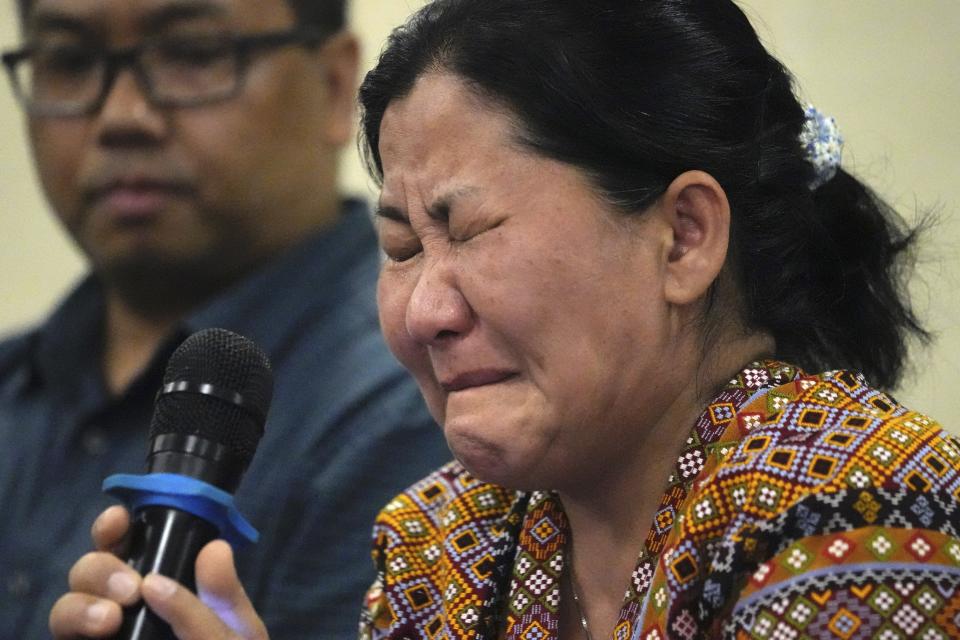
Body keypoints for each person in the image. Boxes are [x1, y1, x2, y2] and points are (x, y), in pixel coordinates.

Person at [48, 0, 960, 638]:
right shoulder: (446, 544)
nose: (424, 313)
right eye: (402, 249)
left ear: (683, 238)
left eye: (471, 230)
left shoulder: (861, 514)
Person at [0, 0, 450, 638]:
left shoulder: (428, 397)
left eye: (193, 54)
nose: (122, 116)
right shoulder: (13, 385)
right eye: (69, 61)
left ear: (331, 85)